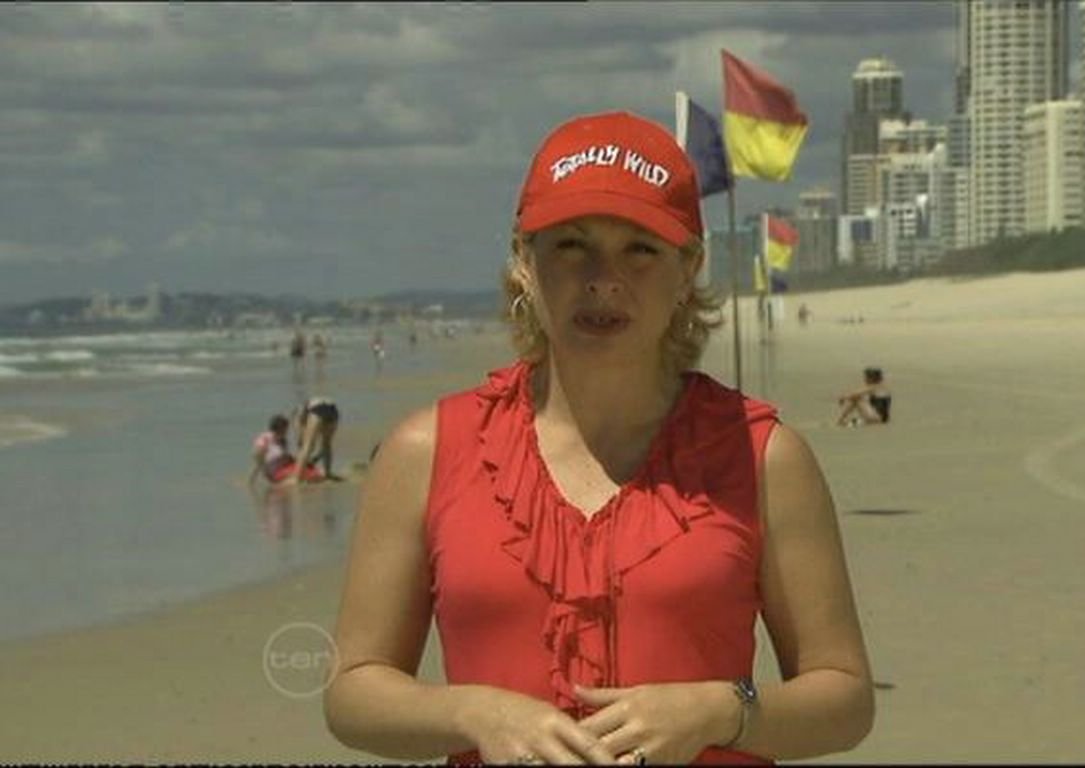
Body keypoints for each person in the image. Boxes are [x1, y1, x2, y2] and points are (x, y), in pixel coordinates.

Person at [324, 111, 874, 765]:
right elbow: (353, 692)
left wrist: (720, 712)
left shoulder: (763, 457)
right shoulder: (428, 451)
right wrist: (473, 712)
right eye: (571, 245)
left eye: (640, 249)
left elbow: (845, 699)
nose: (603, 279)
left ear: (688, 269)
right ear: (524, 261)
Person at [249, 413, 320, 485]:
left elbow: (285, 456)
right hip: (276, 471)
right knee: (309, 475)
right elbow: (257, 459)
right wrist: (254, 479)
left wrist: (301, 460)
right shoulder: (265, 440)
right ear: (279, 428)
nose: (287, 432)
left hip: (286, 466)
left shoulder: (282, 439)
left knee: (313, 471)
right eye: (285, 429)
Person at [288, 396, 341, 483]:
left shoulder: (297, 412)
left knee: (307, 446)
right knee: (326, 444)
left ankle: (296, 478)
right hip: (333, 410)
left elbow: (300, 435)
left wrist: (300, 444)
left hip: (318, 409)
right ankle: (328, 474)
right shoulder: (308, 403)